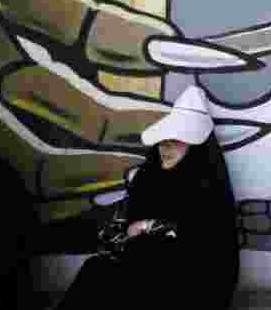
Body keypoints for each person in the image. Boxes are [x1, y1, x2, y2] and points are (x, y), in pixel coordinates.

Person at [56, 86, 239, 310]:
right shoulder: (150, 175)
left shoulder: (209, 185)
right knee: (95, 271)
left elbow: (206, 242)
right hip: (146, 268)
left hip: (195, 285)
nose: (166, 146)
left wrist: (147, 225)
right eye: (163, 139)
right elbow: (128, 228)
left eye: (178, 139)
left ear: (197, 146)